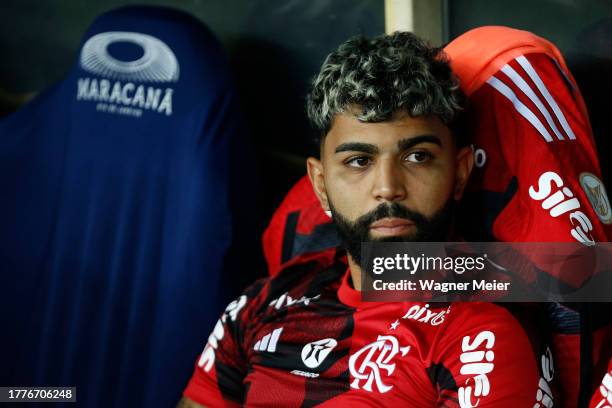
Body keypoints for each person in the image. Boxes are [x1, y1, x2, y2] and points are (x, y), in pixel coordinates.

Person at [178, 32, 553, 407]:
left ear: (459, 173)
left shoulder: (480, 333)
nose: (388, 188)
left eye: (417, 156)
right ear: (320, 184)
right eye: (359, 161)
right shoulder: (265, 299)